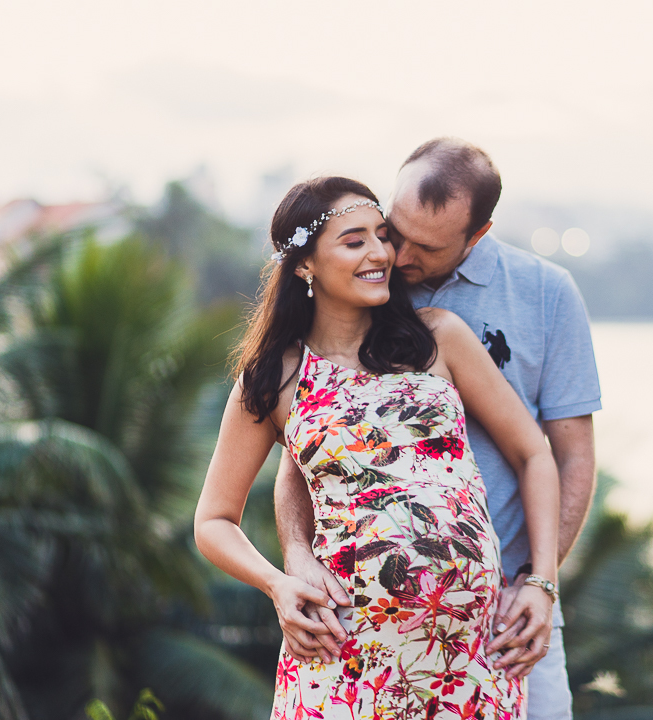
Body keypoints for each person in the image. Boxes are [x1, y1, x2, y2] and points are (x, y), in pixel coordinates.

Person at [194, 175, 562, 719]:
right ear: (304, 265)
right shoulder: (274, 378)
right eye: (354, 240)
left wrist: (541, 583)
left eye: (381, 235)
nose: (380, 253)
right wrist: (278, 584)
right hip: (348, 656)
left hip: (470, 662)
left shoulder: (439, 338)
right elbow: (213, 520)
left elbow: (535, 455)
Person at [275, 140, 600, 720]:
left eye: (423, 246)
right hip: (371, 628)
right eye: (393, 230)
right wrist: (297, 557)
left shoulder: (546, 295)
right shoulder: (365, 284)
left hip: (504, 619)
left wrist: (538, 584)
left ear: (477, 235)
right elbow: (305, 452)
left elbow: (564, 457)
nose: (395, 257)